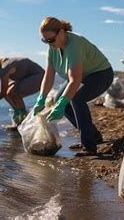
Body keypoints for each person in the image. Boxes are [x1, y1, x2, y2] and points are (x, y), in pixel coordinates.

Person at [32, 17, 113, 156]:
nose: (48, 44)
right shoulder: (53, 48)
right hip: (83, 76)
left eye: (51, 40)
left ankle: (89, 146)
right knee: (60, 99)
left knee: (76, 98)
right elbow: (49, 76)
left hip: (101, 74)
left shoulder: (74, 44)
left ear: (61, 32)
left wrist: (63, 103)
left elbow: (74, 80)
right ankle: (92, 135)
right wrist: (41, 98)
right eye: (45, 41)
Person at [0, 56, 44, 126]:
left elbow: (3, 92)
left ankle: (23, 117)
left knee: (16, 93)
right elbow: (3, 88)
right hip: (31, 77)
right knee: (9, 93)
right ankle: (19, 114)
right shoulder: (5, 63)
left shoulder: (5, 68)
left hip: (40, 78)